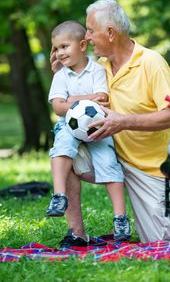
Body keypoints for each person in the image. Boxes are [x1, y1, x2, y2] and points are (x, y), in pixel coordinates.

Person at [50, 0, 170, 248]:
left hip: (148, 168)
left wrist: (123, 122)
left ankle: (166, 217)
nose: (86, 36)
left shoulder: (151, 62)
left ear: (110, 33)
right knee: (63, 147)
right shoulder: (96, 68)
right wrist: (62, 70)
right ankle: (76, 234)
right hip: (107, 153)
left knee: (162, 241)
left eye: (90, 30)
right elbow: (66, 101)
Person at [47, 20, 131, 243]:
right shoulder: (60, 76)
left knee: (109, 164)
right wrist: (83, 99)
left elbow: (102, 100)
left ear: (83, 45)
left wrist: (71, 100)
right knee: (61, 147)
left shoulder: (97, 70)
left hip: (97, 127)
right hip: (69, 125)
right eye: (56, 48)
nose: (60, 53)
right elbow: (58, 108)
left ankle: (120, 218)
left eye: (65, 46)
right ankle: (58, 195)